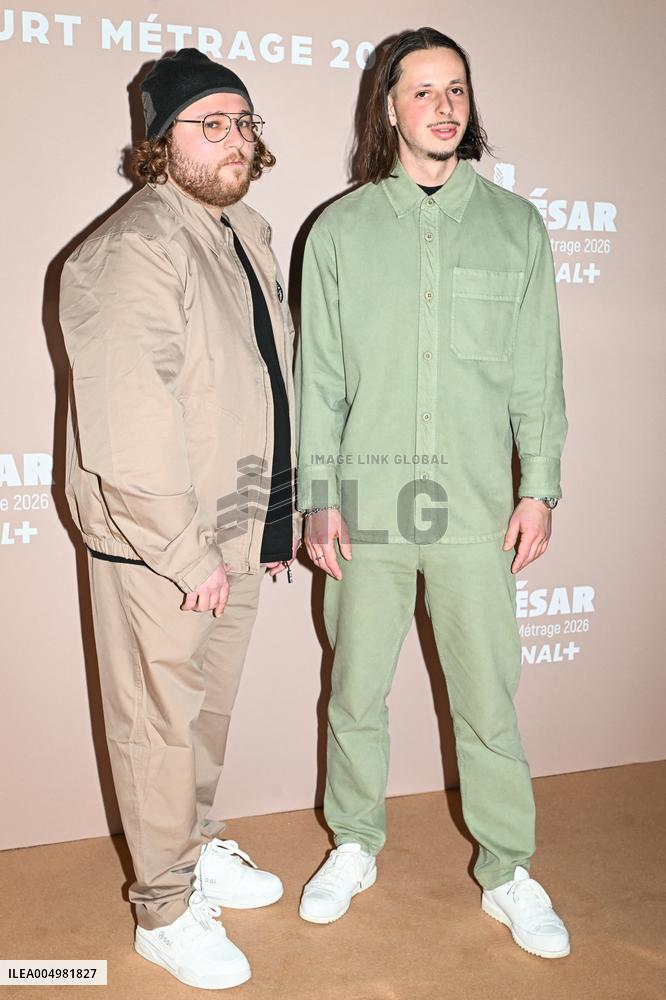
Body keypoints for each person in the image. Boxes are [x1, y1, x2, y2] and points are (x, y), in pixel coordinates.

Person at [295, 27, 570, 959]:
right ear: (388, 108)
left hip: (475, 506)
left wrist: (540, 488)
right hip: (367, 504)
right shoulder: (338, 231)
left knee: (488, 697)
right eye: (423, 91)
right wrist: (316, 495)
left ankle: (508, 869)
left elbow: (539, 375)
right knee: (356, 690)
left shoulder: (517, 227)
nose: (444, 105)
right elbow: (319, 381)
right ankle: (355, 842)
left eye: (457, 89)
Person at [60, 48, 300, 990]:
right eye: (211, 124)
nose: (235, 139)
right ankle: (161, 909)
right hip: (163, 547)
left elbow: (259, 391)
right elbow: (129, 423)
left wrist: (266, 523)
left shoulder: (241, 229)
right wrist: (185, 549)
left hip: (229, 532)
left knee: (204, 716)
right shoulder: (135, 246)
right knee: (158, 725)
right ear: (160, 144)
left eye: (243, 122)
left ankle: (193, 849)